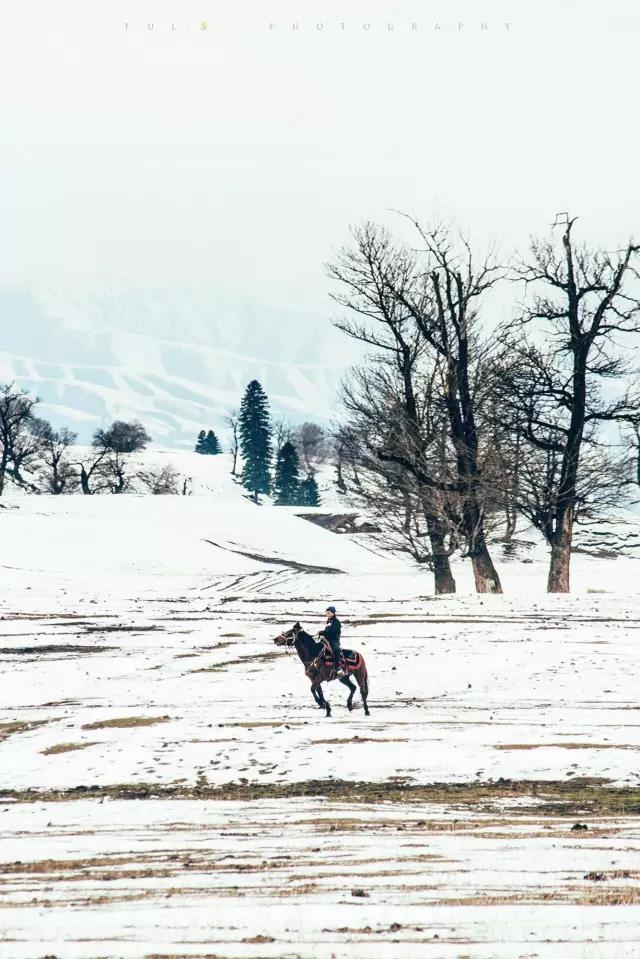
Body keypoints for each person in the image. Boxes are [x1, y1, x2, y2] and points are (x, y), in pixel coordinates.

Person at [319, 605, 343, 676]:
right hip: (327, 639)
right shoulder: (328, 621)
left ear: (333, 613)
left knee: (336, 649)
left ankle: (338, 667)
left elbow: (332, 631)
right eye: (326, 612)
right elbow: (327, 630)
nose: (327, 614)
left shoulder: (336, 622)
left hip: (334, 639)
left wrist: (322, 632)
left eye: (328, 613)